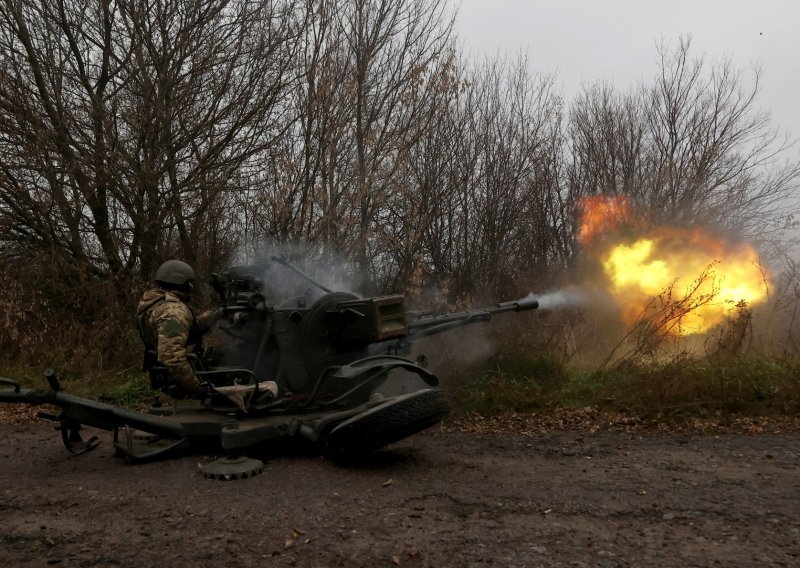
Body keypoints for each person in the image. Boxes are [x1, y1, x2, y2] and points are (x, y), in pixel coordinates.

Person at [136, 259, 217, 399]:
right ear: (180, 282)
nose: (191, 286)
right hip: (175, 381)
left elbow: (186, 328)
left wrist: (215, 315)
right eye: (189, 282)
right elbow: (172, 357)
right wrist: (199, 388)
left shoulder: (154, 302)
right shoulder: (173, 310)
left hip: (162, 373)